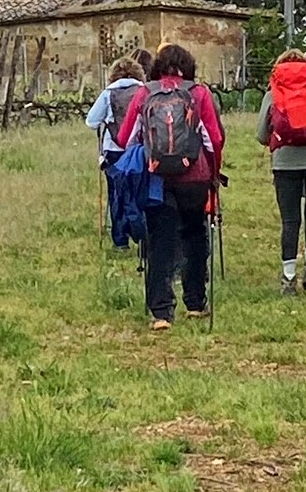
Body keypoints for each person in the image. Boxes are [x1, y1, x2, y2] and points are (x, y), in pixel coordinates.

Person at [116, 44, 225, 330]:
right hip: (196, 177)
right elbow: (214, 139)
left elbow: (125, 137)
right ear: (189, 66)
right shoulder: (199, 94)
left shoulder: (145, 93)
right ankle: (195, 302)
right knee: (195, 234)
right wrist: (213, 173)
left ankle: (162, 312)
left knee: (160, 241)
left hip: (156, 179)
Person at [257, 49, 306, 294]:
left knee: (290, 220)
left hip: (285, 163)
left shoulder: (273, 94)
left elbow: (261, 134)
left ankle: (289, 278)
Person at [86, 57, 147, 168]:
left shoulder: (108, 93)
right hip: (140, 149)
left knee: (115, 183)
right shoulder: (144, 92)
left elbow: (91, 121)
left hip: (113, 149)